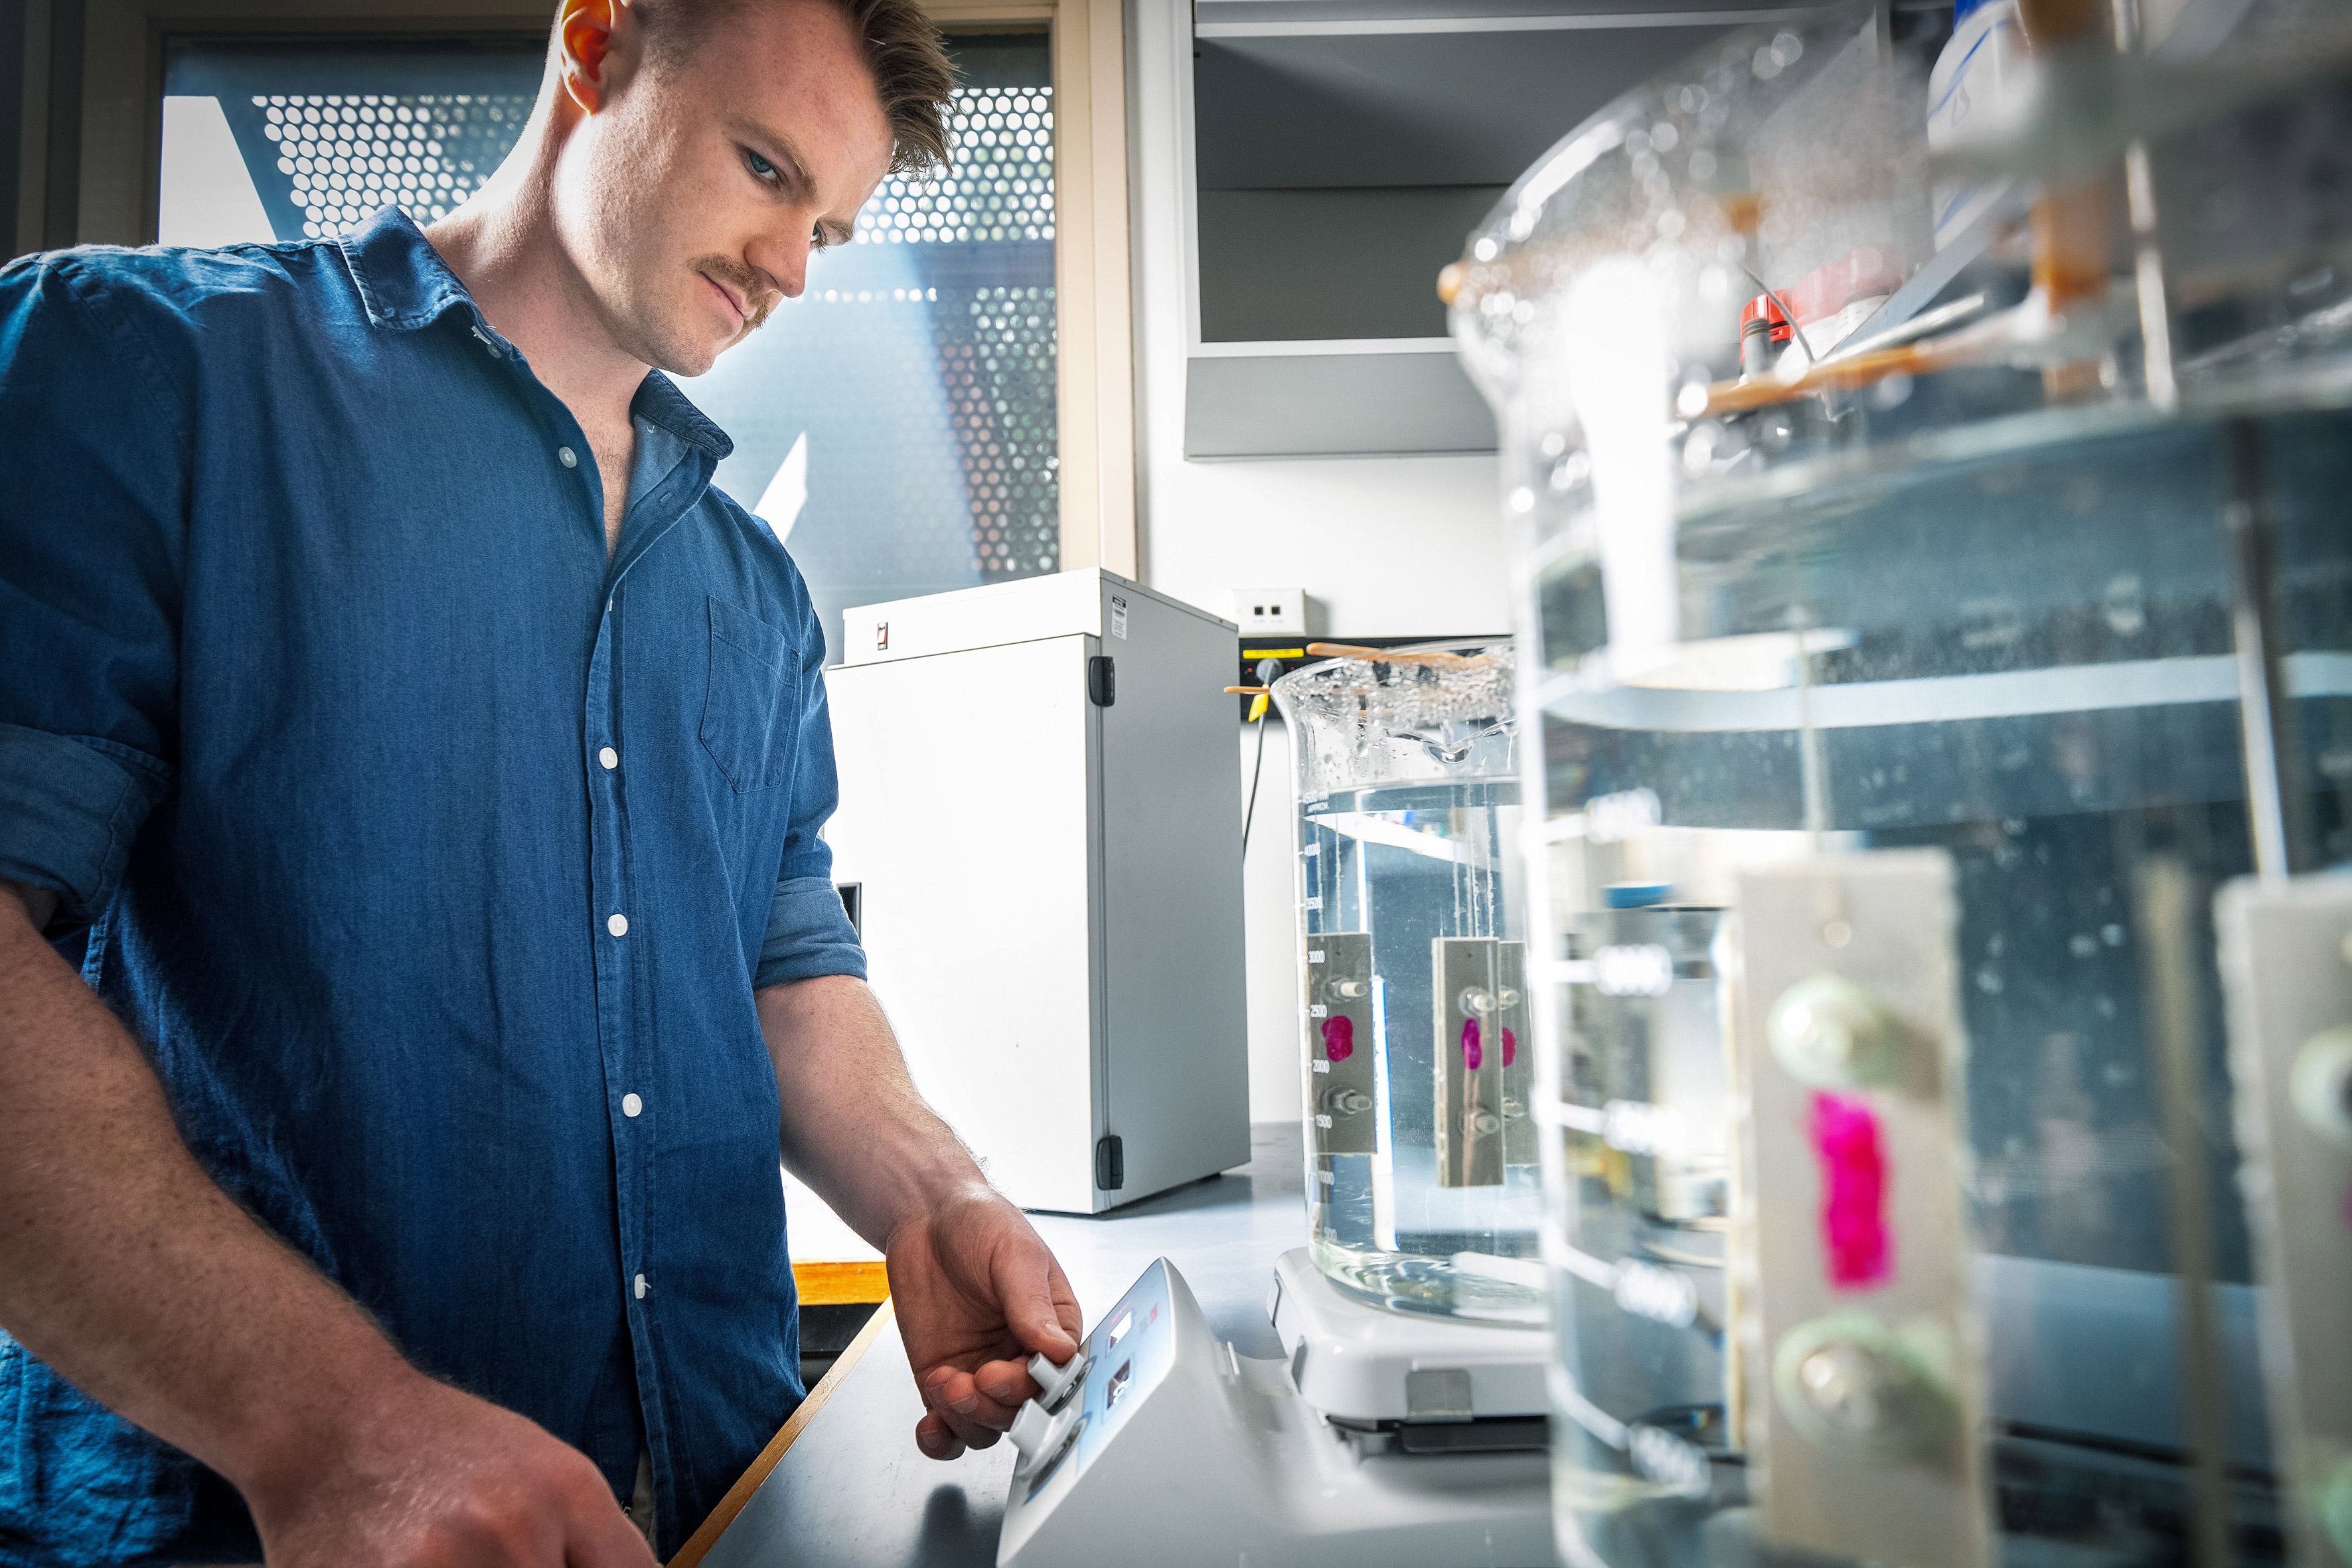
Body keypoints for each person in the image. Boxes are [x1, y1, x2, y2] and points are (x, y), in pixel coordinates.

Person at [0, 0, 1081, 1560]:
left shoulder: (751, 587)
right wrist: (333, 1422)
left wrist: (932, 1193)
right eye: (765, 168)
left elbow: (782, 971)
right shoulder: (140, 371)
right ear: (597, 47)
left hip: (706, 1495)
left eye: (829, 228)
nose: (789, 267)